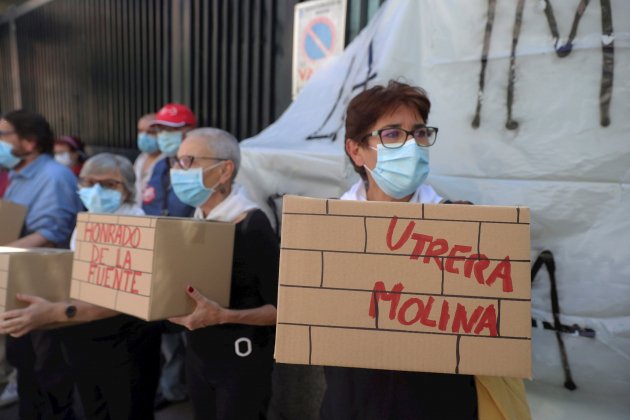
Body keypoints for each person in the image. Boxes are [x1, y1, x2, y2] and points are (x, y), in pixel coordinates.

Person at [319, 81, 479, 419]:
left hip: (437, 405)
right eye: (392, 134)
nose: (412, 144)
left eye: (419, 133)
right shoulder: (324, 229)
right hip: (352, 403)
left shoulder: (462, 223)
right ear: (356, 150)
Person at [0, 153, 162, 419]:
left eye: (110, 184)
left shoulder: (139, 227)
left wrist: (55, 313)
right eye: (89, 182)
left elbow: (123, 295)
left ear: (129, 189)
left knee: (127, 408)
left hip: (127, 343)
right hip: (85, 339)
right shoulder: (86, 220)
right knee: (93, 406)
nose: (97, 190)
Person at [167, 128, 279, 420]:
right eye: (177, 161)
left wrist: (224, 316)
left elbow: (282, 310)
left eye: (189, 161)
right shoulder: (196, 219)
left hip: (241, 363)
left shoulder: (251, 224)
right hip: (199, 359)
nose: (179, 171)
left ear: (225, 170)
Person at [0, 109, 82, 418]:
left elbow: (49, 234)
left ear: (30, 141)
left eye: (4, 134)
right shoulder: (17, 175)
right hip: (18, 283)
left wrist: (1, 251)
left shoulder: (53, 176)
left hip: (46, 289)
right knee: (26, 371)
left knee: (48, 374)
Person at [143, 103, 196, 409]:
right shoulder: (161, 166)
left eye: (171, 130)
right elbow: (151, 203)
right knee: (167, 330)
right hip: (160, 253)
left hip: (189, 253)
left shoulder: (198, 163)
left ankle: (187, 385)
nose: (163, 136)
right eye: (160, 129)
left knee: (190, 327)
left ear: (189, 131)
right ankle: (173, 385)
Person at [133, 112, 163, 205]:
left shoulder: (169, 161)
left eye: (151, 132)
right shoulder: (141, 158)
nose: (143, 136)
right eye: (140, 131)